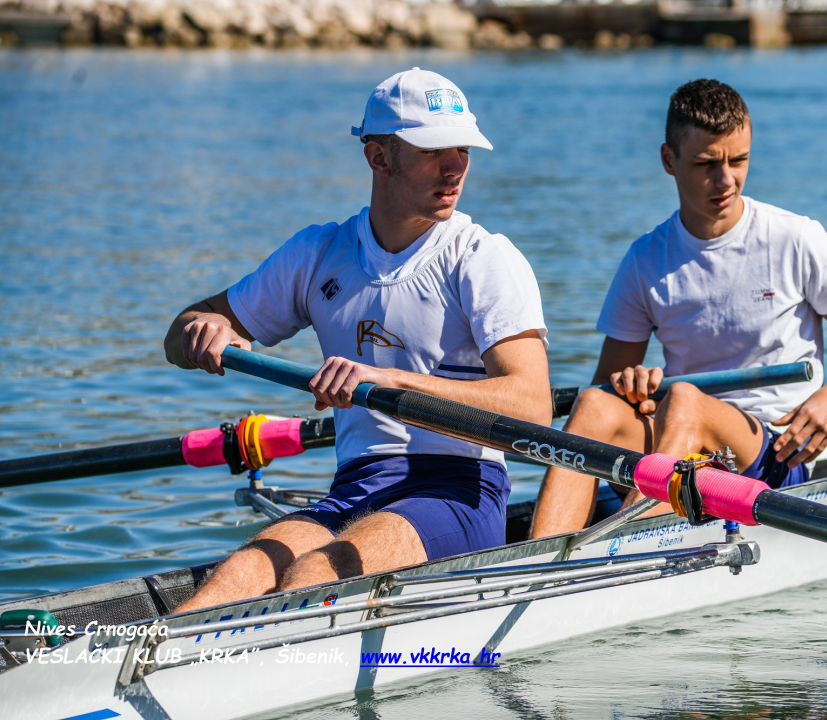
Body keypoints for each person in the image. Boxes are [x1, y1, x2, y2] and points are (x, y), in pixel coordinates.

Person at [164, 68, 550, 612]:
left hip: (459, 489)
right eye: (434, 149)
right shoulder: (320, 253)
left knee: (314, 574)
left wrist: (390, 380)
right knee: (244, 569)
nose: (456, 165)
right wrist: (203, 331)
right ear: (378, 157)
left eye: (463, 148)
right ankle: (136, 670)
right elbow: (179, 332)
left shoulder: (482, 259)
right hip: (357, 486)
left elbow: (532, 407)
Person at [530, 79, 827, 538]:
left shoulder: (796, 239)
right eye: (706, 164)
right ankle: (539, 556)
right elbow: (610, 387)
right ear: (669, 160)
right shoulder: (646, 259)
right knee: (592, 405)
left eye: (738, 160)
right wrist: (633, 384)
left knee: (685, 398)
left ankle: (627, 545)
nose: (726, 180)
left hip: (772, 455)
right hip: (681, 442)